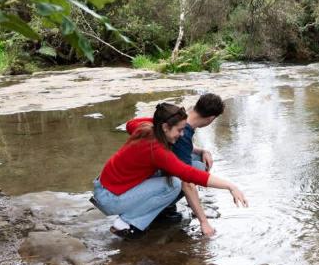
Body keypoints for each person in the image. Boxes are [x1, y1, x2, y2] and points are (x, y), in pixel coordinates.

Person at [90, 102, 247, 239]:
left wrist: (164, 120)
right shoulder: (157, 150)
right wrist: (230, 186)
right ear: (165, 127)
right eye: (179, 130)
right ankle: (125, 223)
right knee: (173, 184)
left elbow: (130, 123)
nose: (182, 134)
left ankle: (150, 214)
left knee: (186, 167)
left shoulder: (145, 128)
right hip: (110, 198)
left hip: (104, 188)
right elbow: (189, 174)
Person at [168, 93, 225, 235]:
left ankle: (169, 204)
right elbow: (187, 182)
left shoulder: (182, 118)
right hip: (154, 176)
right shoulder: (184, 131)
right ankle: (165, 207)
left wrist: (203, 151)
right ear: (211, 118)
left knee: (199, 159)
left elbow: (185, 147)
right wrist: (204, 222)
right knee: (198, 168)